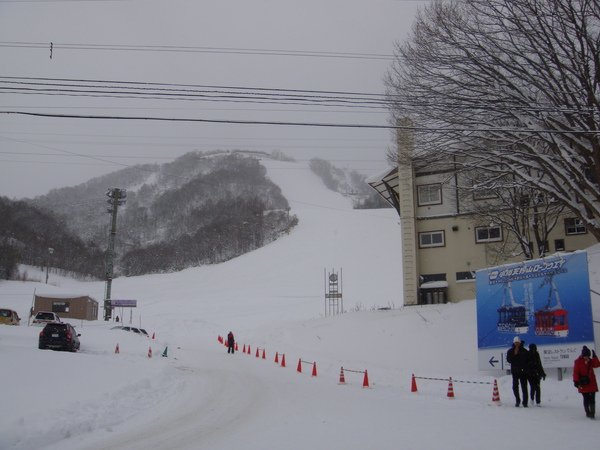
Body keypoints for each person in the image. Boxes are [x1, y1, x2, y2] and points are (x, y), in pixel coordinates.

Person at [573, 345, 600, 419]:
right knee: (586, 398)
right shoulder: (578, 362)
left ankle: (592, 413)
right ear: (582, 355)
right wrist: (576, 381)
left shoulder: (591, 361)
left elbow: (597, 365)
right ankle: (588, 412)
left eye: (588, 356)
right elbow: (576, 372)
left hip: (591, 383)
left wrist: (595, 357)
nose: (587, 358)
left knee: (592, 399)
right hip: (583, 383)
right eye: (585, 356)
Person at [506, 335, 529, 407]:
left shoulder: (525, 351)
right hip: (515, 372)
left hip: (523, 372)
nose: (516, 344)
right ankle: (517, 400)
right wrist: (514, 354)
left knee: (524, 387)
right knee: (515, 387)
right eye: (515, 342)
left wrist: (526, 369)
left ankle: (525, 402)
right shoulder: (510, 351)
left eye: (518, 342)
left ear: (520, 343)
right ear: (513, 343)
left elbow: (527, 361)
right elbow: (509, 360)